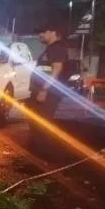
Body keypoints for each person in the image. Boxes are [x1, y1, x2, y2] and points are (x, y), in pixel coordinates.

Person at [27, 22, 69, 160]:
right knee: (36, 121)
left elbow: (56, 70)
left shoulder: (56, 48)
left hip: (48, 92)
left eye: (43, 32)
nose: (40, 35)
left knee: (42, 123)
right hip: (42, 91)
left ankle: (48, 156)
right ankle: (39, 154)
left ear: (53, 32)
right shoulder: (50, 49)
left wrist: (44, 89)